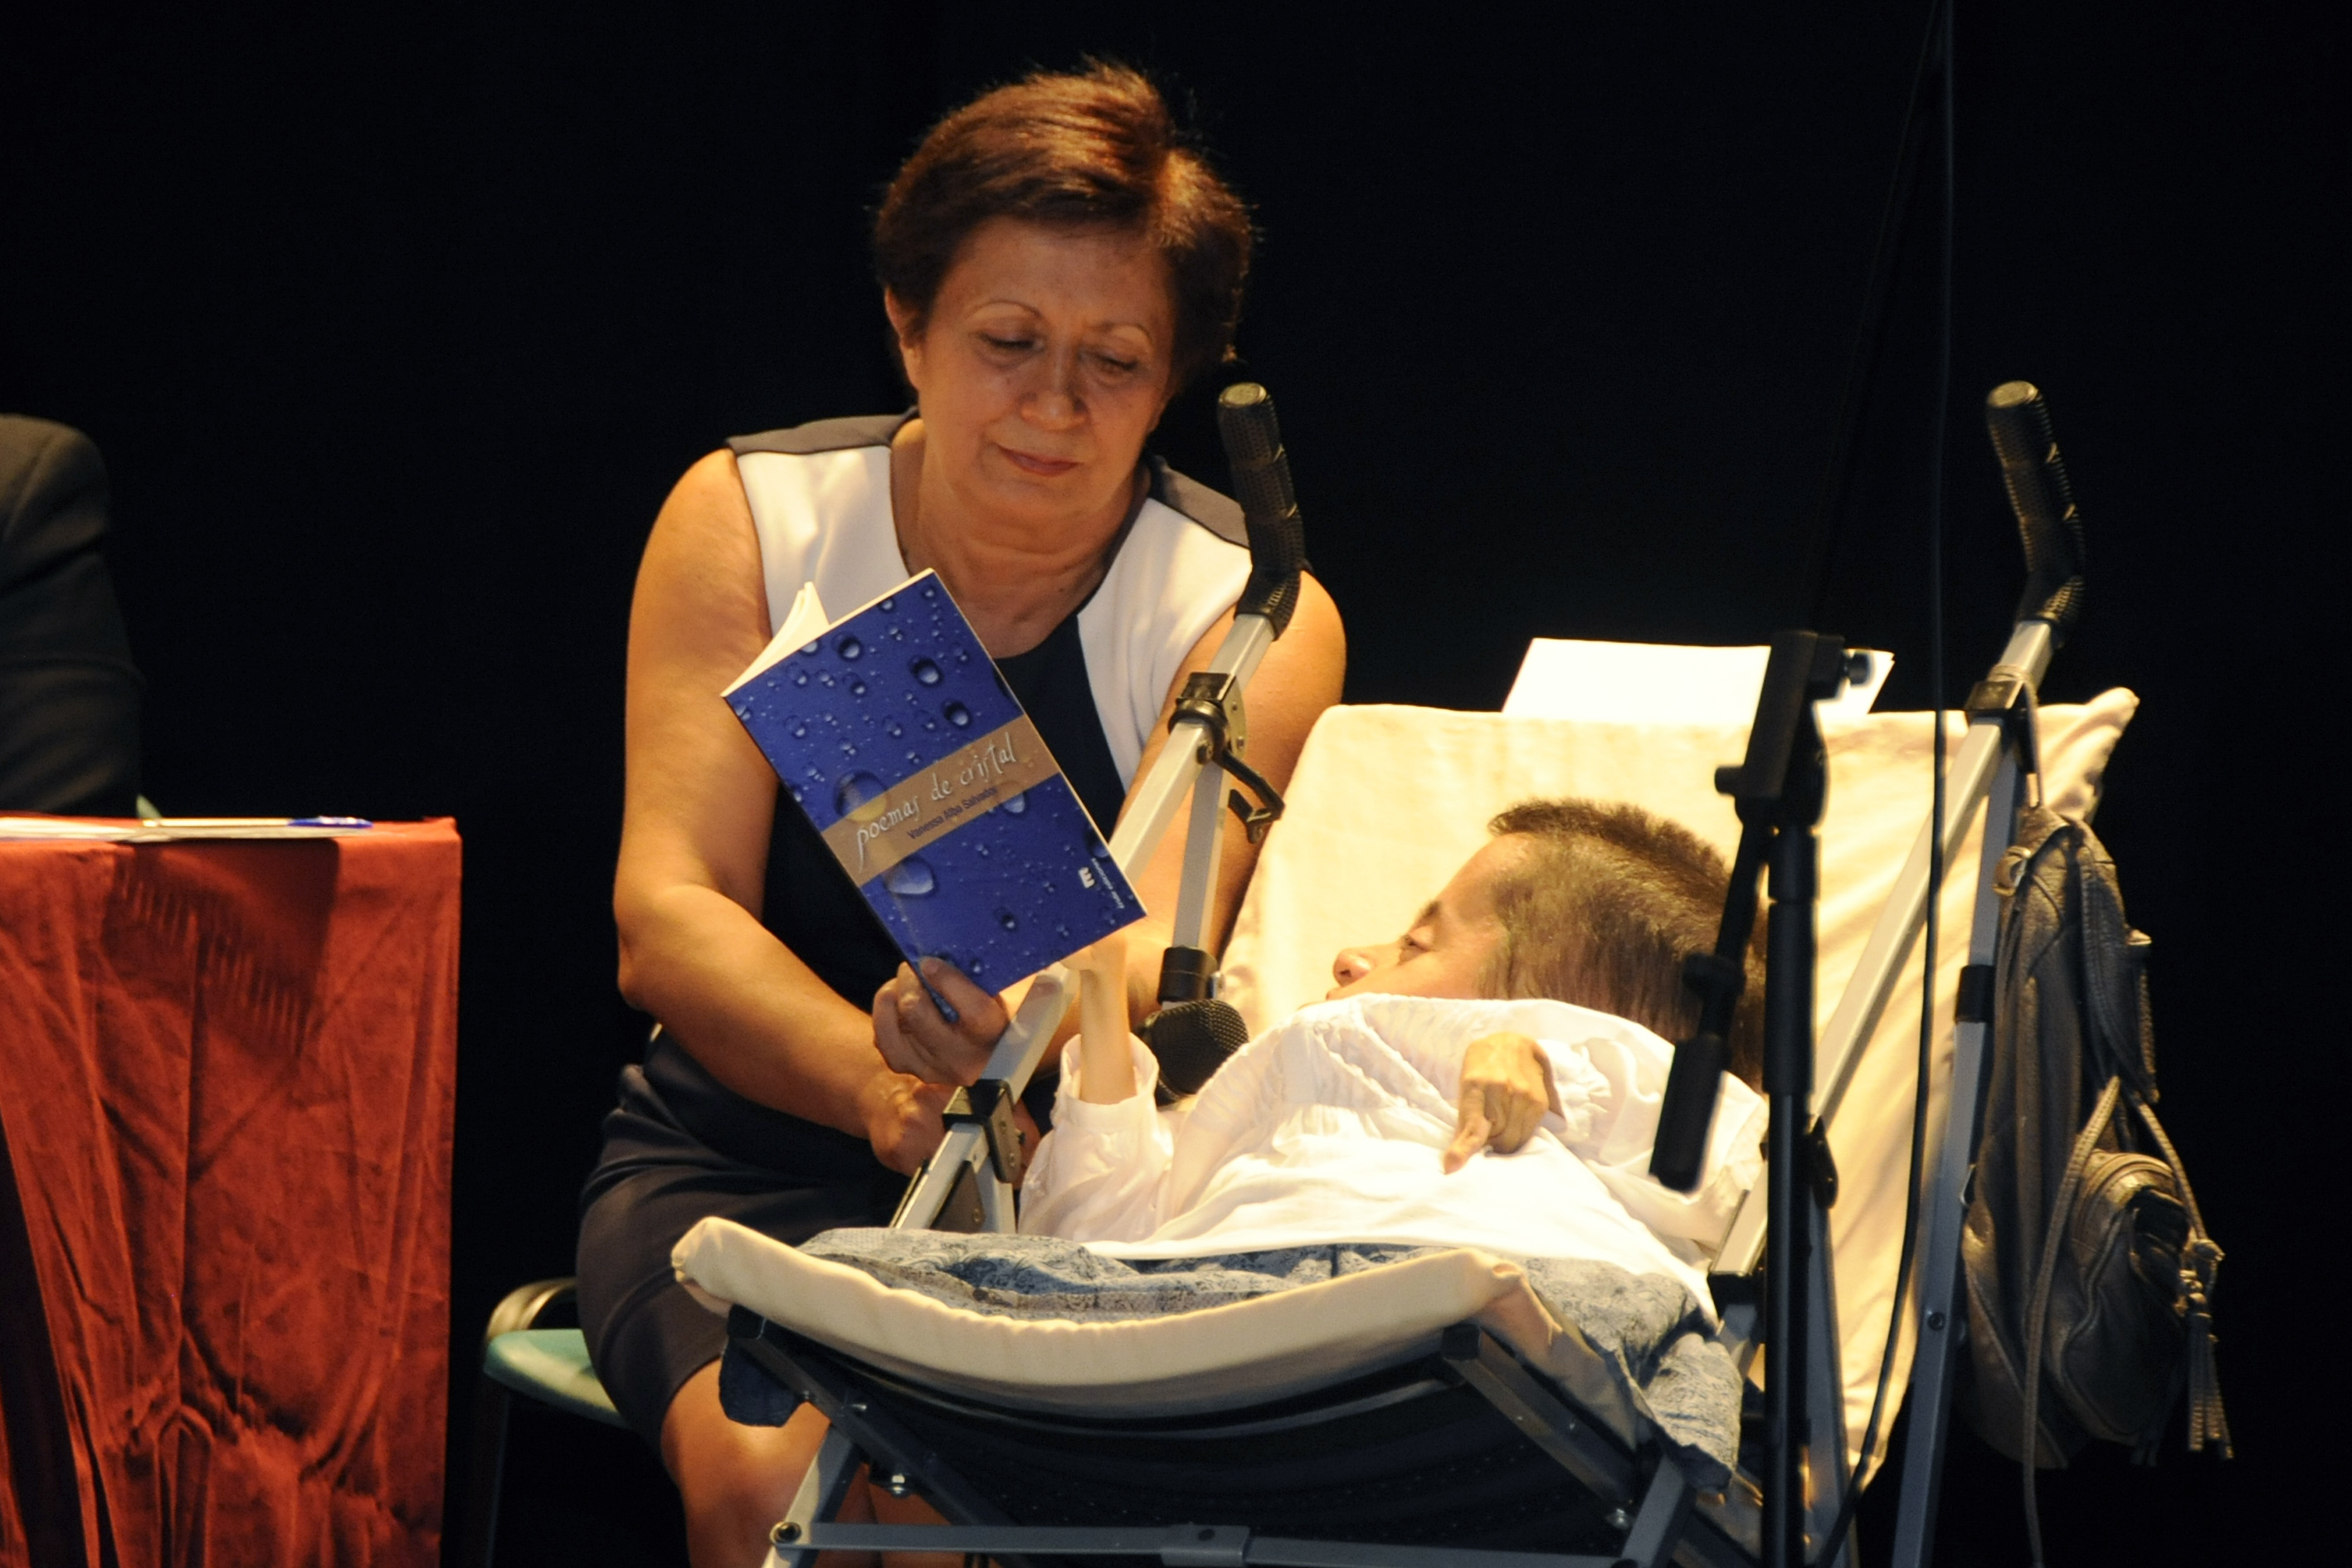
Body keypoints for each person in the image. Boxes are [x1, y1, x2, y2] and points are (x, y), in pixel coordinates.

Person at [579, 61, 1346, 1568]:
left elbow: (1152, 953)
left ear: (1175, 382)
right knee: (779, 1493)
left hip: (1073, 1190)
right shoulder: (752, 520)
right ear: (906, 326)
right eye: (1007, 341)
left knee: (965, 1512)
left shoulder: (1250, 611)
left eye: (1114, 361)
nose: (1054, 404)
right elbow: (668, 915)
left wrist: (1012, 1052)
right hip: (754, 1153)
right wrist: (876, 1090)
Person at [1025, 798, 1768, 1303]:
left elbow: (1727, 1167)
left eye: (1416, 943)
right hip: (1217, 1298)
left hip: (1490, 1293)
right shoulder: (1273, 1089)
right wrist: (1101, 987)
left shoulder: (1605, 1095)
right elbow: (1095, 1244)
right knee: (977, 1279)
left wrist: (1553, 1063)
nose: (1350, 957)